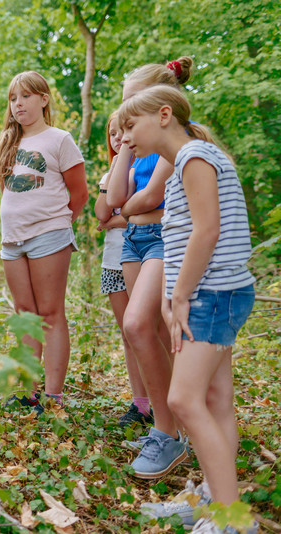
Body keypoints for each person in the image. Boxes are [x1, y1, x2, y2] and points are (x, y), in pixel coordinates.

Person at [119, 85, 257, 534]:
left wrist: (179, 294)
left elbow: (207, 232)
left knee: (182, 399)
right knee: (215, 401)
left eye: (130, 125)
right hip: (210, 293)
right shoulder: (185, 162)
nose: (125, 136)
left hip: (213, 295)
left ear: (162, 115)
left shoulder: (195, 158)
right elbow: (182, 236)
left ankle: (231, 519)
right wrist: (170, 295)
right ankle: (216, 501)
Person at [106, 56, 193, 479]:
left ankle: (168, 429)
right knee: (151, 331)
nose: (123, 121)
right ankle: (172, 426)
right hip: (133, 241)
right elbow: (114, 199)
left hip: (163, 237)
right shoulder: (136, 147)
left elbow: (148, 197)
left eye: (132, 107)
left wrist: (124, 204)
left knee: (138, 324)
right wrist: (122, 148)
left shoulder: (174, 145)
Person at [0, 71, 87, 414]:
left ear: (44, 99)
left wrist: (56, 224)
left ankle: (53, 396)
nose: (18, 104)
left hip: (49, 236)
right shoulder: (8, 141)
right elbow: (9, 193)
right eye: (13, 99)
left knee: (49, 313)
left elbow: (80, 194)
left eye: (26, 97)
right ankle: (29, 391)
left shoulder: (60, 140)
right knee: (26, 314)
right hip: (12, 242)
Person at [94, 111, 153, 428]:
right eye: (112, 133)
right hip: (113, 261)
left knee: (148, 331)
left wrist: (117, 218)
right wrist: (115, 216)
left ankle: (160, 402)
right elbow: (101, 212)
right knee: (128, 335)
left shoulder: (146, 167)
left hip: (143, 257)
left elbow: (128, 215)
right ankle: (140, 404)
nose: (117, 138)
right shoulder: (111, 173)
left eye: (123, 131)